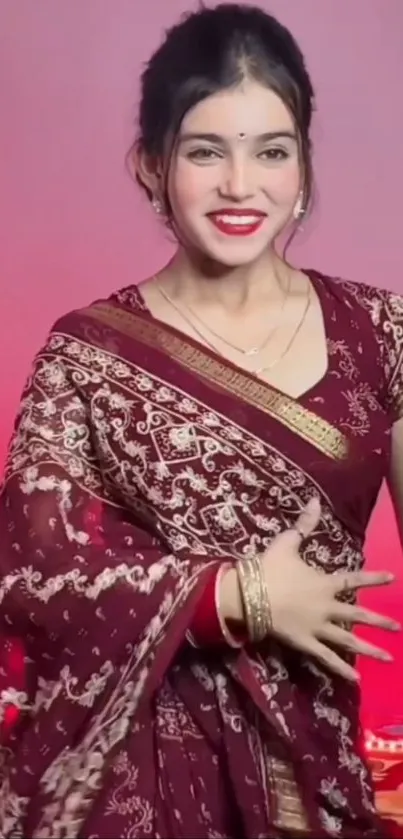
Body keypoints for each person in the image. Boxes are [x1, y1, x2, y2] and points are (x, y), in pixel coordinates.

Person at [0, 3, 402, 837]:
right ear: (151, 165)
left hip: (312, 780)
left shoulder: (382, 335)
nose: (239, 186)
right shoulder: (86, 355)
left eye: (271, 152)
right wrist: (235, 596)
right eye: (204, 151)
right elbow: (31, 568)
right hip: (134, 796)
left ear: (302, 165)